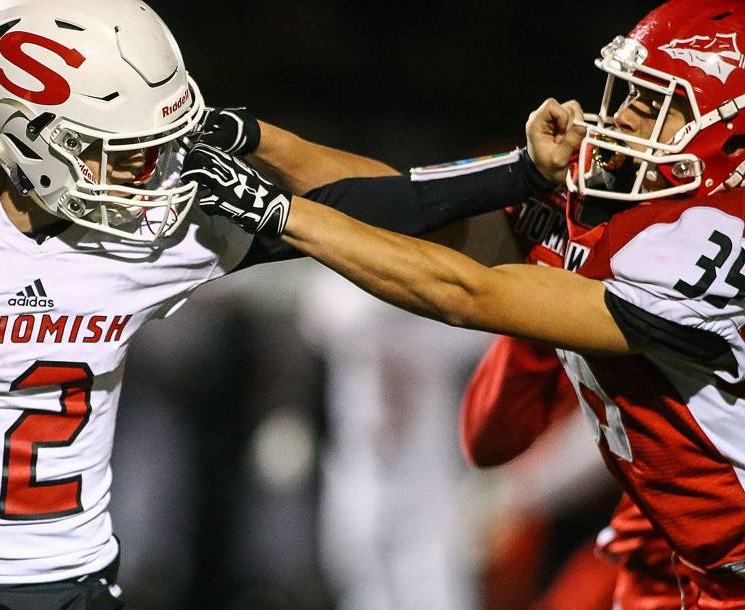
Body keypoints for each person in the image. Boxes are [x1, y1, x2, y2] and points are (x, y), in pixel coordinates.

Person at [0, 1, 563, 607]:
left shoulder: (166, 222)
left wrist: (513, 175)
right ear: (21, 133)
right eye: (110, 150)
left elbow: (373, 208)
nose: (146, 174)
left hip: (66, 585)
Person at [183, 0, 745, 605]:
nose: (626, 116)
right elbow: (411, 207)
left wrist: (281, 216)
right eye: (632, 92)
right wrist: (259, 140)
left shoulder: (709, 242)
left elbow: (466, 290)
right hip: (698, 553)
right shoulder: (613, 200)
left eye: (662, 104)